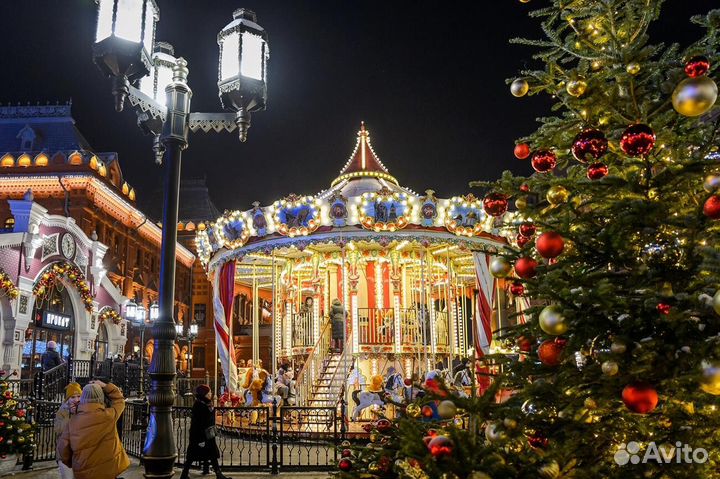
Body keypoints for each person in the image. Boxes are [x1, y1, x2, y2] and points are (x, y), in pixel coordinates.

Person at [57, 380, 129, 479]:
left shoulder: (73, 422)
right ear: (101, 397)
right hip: (108, 470)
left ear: (83, 398)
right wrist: (104, 385)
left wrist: (73, 463)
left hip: (83, 471)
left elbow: (63, 449)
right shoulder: (109, 415)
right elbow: (119, 400)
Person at [179, 384, 230, 479]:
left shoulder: (206, 403)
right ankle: (184, 474)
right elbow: (200, 423)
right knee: (193, 455)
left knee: (211, 454)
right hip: (201, 435)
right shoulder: (200, 405)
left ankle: (218, 474)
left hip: (207, 434)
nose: (210, 394)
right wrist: (201, 438)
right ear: (204, 394)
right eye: (209, 392)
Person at [54, 382, 81, 479]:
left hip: (79, 454)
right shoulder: (62, 412)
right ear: (68, 399)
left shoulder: (83, 411)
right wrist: (69, 415)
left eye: (78, 396)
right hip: (65, 454)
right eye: (73, 397)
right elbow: (58, 429)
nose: (76, 400)